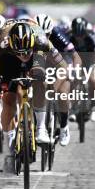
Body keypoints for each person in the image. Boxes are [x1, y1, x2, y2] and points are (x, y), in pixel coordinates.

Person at [0, 21, 68, 173]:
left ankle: (41, 129)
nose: (23, 56)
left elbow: (63, 67)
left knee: (39, 79)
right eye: (20, 53)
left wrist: (54, 87)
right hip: (9, 60)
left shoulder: (41, 41)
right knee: (8, 100)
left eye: (26, 52)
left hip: (37, 56)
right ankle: (10, 145)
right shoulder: (2, 46)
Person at [35, 13, 78, 146]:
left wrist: (75, 70)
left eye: (47, 35)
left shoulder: (58, 35)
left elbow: (75, 56)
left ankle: (64, 127)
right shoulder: (30, 36)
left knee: (62, 94)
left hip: (61, 61)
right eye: (40, 35)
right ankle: (37, 126)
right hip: (40, 61)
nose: (44, 38)